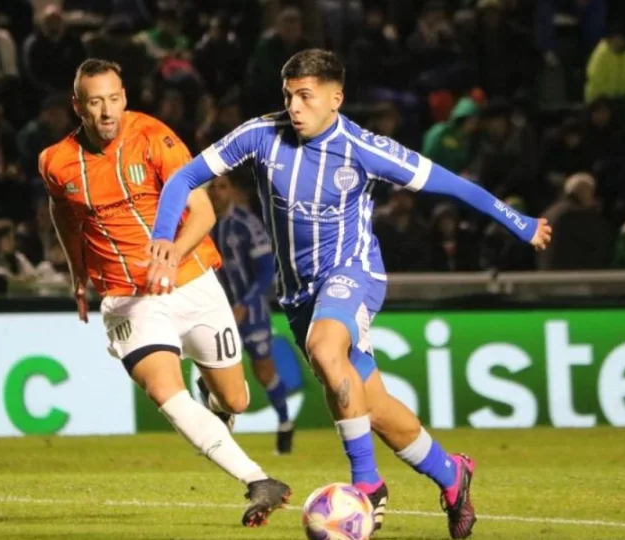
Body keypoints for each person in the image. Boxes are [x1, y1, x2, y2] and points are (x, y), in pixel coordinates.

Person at [146, 49, 552, 539]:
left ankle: (368, 486)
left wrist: (521, 223)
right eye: (289, 96)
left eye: (306, 96)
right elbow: (185, 176)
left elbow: (452, 185)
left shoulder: (363, 148)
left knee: (325, 348)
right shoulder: (261, 134)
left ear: (335, 98)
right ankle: (452, 474)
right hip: (298, 295)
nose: (294, 107)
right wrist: (164, 236)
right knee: (371, 405)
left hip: (352, 272)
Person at [38, 58, 290, 527]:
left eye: (114, 99)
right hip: (127, 297)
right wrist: (77, 273)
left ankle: (212, 397)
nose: (107, 111)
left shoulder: (154, 137)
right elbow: (63, 213)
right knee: (163, 390)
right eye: (96, 102)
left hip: (192, 281)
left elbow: (203, 212)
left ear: (125, 98)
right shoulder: (56, 162)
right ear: (78, 106)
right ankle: (259, 481)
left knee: (235, 401)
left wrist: (172, 253)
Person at [206, 173, 295, 455]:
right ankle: (217, 432)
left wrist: (245, 304)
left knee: (263, 369)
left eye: (223, 187)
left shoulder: (246, 224)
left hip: (250, 311)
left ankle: (285, 423)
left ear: (232, 191)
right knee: (209, 371)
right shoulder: (201, 224)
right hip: (215, 311)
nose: (217, 192)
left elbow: (267, 271)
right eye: (212, 187)